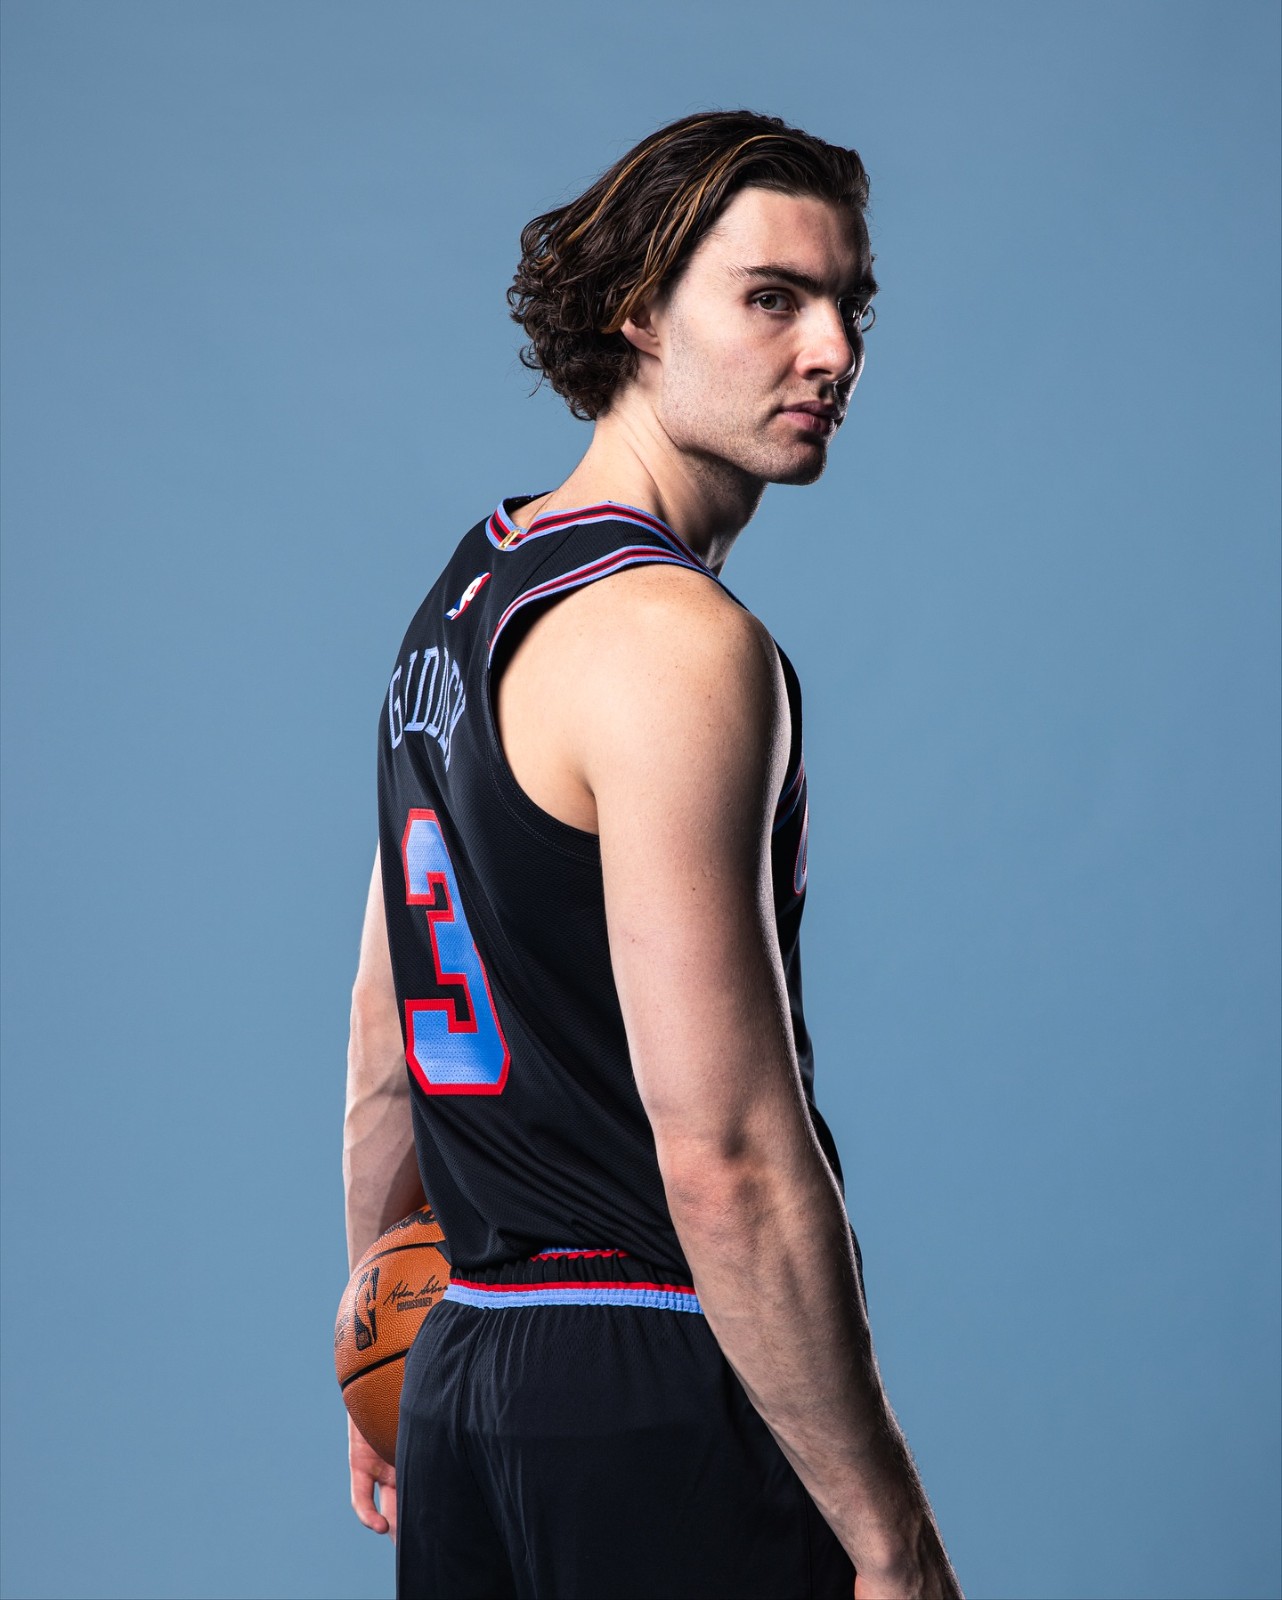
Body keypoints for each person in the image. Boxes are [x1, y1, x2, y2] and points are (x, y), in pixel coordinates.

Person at [343, 108, 963, 1600]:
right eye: (772, 299)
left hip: (467, 1364)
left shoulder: (472, 590)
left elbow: (386, 1038)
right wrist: (889, 1539)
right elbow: (726, 1153)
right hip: (655, 1379)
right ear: (637, 310)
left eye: (849, 305)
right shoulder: (677, 645)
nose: (832, 352)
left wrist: (377, 1346)